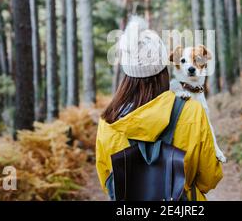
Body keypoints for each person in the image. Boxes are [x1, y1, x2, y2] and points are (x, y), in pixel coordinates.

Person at [95, 15, 223, 200]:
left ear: (126, 73)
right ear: (164, 70)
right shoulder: (191, 111)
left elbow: (107, 181)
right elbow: (210, 178)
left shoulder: (108, 121)